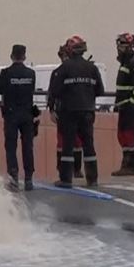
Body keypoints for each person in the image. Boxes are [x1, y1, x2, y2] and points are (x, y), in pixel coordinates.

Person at [48, 35, 103, 188]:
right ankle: (92, 179)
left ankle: (66, 179)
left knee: (68, 145)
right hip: (87, 111)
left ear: (70, 50)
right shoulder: (92, 68)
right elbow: (100, 90)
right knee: (88, 145)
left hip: (69, 112)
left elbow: (56, 91)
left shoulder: (64, 68)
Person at [0, 44, 37, 191]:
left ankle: (14, 178)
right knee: (28, 147)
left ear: (12, 56)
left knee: (10, 147)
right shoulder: (31, 74)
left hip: (11, 114)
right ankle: (28, 179)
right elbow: (31, 90)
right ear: (24, 56)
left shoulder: (6, 73)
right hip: (27, 114)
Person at [47, 44, 84, 179]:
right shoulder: (57, 72)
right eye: (62, 56)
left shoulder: (76, 72)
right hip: (62, 111)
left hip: (75, 110)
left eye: (66, 56)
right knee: (62, 142)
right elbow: (52, 93)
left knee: (77, 141)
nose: (64, 59)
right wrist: (51, 109)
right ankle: (63, 169)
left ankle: (77, 169)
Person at [112, 32, 134, 176]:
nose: (119, 47)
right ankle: (125, 164)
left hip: (130, 107)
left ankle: (132, 166)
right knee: (123, 135)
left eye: (122, 44)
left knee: (131, 136)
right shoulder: (125, 63)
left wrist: (132, 103)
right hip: (123, 106)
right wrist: (117, 103)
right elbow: (121, 88)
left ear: (130, 46)